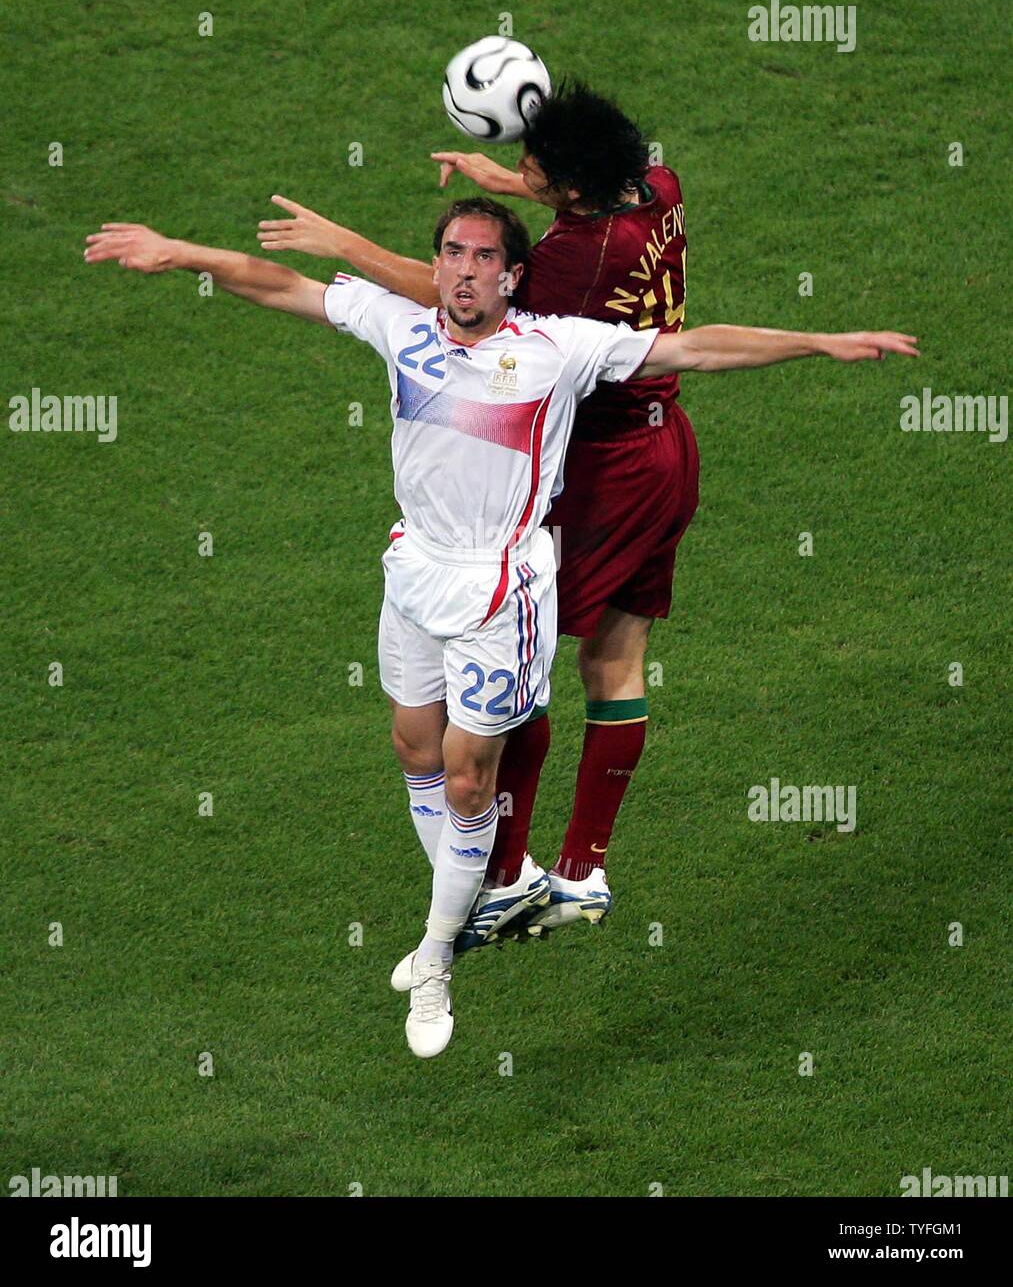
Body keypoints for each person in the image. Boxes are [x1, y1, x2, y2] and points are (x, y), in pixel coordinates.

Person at [84, 199, 917, 1057]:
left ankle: (438, 957)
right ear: (436, 264)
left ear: (510, 278)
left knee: (468, 783)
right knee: (414, 749)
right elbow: (280, 285)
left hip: (501, 592)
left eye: (484, 257)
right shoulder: (398, 326)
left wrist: (821, 341)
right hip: (413, 572)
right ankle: (488, 893)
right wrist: (177, 248)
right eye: (452, 253)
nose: (464, 270)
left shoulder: (556, 348)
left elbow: (695, 346)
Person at [255, 82, 697, 943]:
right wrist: (504, 174)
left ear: (567, 193)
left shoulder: (571, 263)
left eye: (534, 168)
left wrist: (337, 241)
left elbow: (450, 294)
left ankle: (502, 874)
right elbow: (575, 187)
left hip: (598, 473)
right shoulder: (658, 187)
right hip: (666, 450)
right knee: (615, 659)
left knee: (516, 663)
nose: (522, 171)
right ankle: (584, 869)